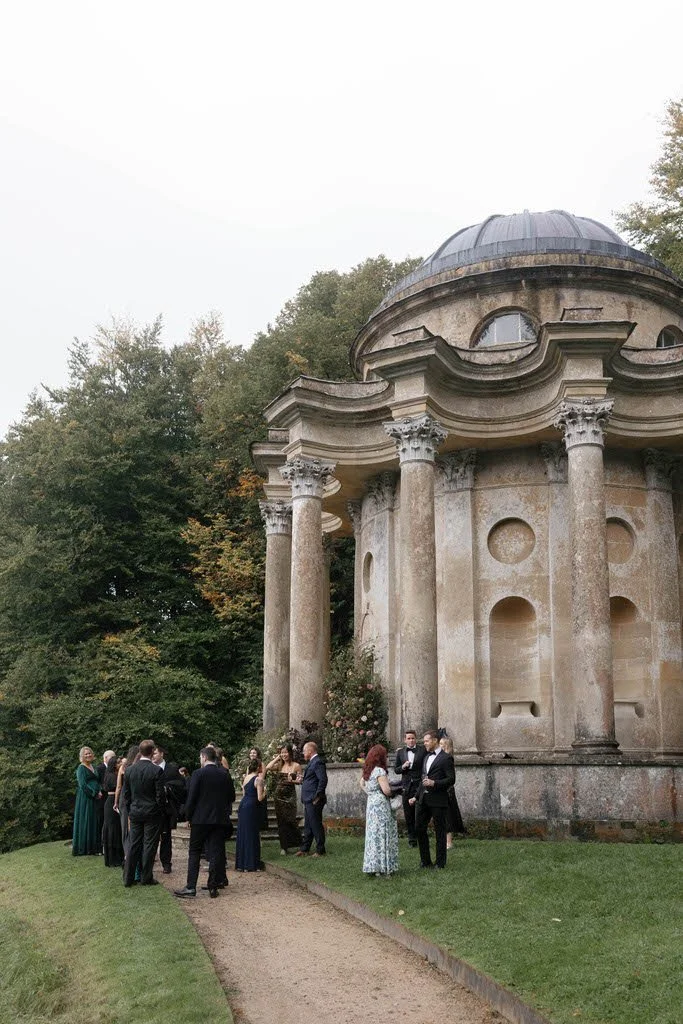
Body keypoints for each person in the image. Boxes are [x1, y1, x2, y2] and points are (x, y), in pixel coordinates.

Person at [174, 746, 235, 898]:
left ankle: (190, 886)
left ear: (204, 757)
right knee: (215, 852)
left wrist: (188, 816)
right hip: (219, 818)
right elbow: (232, 797)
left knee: (194, 851)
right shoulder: (224, 774)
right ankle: (213, 885)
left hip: (200, 819)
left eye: (200, 757)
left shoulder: (198, 773)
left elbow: (192, 797)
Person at [122, 739, 165, 887]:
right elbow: (160, 796)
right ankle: (146, 877)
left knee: (133, 844)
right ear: (153, 751)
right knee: (149, 845)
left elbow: (126, 795)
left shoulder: (129, 770)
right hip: (152, 812)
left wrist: (129, 810)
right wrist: (159, 810)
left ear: (140, 751)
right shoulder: (156, 770)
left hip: (135, 811)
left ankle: (128, 878)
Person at [409, 730, 455, 869]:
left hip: (438, 800)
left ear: (435, 740)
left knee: (440, 831)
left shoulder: (446, 758)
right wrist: (415, 796)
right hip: (423, 799)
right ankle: (425, 861)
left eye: (427, 741)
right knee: (419, 828)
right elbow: (423, 779)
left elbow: (451, 779)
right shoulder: (425, 757)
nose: (425, 744)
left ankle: (440, 863)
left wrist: (435, 783)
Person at [360, 744, 398, 876]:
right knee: (383, 832)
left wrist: (370, 793)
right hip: (380, 804)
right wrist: (395, 793)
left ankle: (373, 866)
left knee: (373, 834)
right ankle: (384, 866)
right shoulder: (379, 771)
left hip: (371, 804)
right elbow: (386, 790)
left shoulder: (368, 770)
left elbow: (361, 784)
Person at [152, 744, 187, 874]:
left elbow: (181, 787)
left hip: (166, 809)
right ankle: (149, 863)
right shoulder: (149, 768)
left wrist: (167, 788)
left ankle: (166, 863)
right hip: (152, 809)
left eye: (155, 753)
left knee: (166, 837)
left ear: (161, 753)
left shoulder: (172, 769)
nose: (153, 756)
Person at [265, 744, 302, 854]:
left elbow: (300, 781)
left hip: (290, 796)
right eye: (282, 752)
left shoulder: (296, 766)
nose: (284, 754)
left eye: (285, 752)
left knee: (291, 820)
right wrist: (277, 757)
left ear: (290, 753)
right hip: (279, 797)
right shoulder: (279, 765)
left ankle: (299, 843)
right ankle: (284, 847)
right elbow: (267, 767)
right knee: (281, 822)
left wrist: (293, 780)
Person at [295, 741, 327, 857]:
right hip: (308, 799)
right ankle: (305, 848)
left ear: (310, 751)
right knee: (308, 825)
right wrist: (303, 778)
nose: (303, 753)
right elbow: (313, 779)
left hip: (314, 799)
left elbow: (323, 780)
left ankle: (320, 850)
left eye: (304, 751)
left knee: (316, 824)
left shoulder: (318, 762)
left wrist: (317, 796)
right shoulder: (312, 762)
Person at [234, 757, 267, 871]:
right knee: (252, 833)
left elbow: (244, 793)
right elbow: (259, 798)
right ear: (258, 767)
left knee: (243, 833)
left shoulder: (246, 777)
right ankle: (251, 863)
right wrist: (266, 791)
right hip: (252, 806)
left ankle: (241, 864)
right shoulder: (258, 780)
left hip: (243, 805)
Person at [393, 729, 423, 847]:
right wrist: (403, 767)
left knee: (419, 814)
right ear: (405, 740)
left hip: (419, 786)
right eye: (409, 738)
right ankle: (411, 839)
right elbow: (396, 770)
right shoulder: (401, 753)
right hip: (406, 787)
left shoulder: (422, 751)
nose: (411, 740)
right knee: (408, 815)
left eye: (413, 738)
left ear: (416, 739)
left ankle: (420, 837)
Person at [72, 746, 103, 855]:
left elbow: (97, 781)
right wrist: (94, 793)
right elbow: (82, 785)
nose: (88, 755)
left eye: (89, 753)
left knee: (95, 820)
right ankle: (87, 848)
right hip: (86, 798)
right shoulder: (81, 768)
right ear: (82, 756)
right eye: (86, 754)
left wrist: (99, 791)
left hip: (96, 797)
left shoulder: (93, 766)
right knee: (87, 820)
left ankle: (95, 847)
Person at [115, 744, 139, 870]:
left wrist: (115, 802)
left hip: (124, 800)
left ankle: (127, 858)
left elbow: (118, 787)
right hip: (135, 800)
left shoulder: (124, 768)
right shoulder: (137, 768)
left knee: (125, 830)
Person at [439, 735, 466, 847]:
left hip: (447, 790)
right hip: (441, 789)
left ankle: (449, 842)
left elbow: (450, 778)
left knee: (448, 816)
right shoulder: (441, 757)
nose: (439, 746)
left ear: (446, 746)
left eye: (441, 744)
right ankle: (444, 841)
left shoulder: (447, 758)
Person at [101, 754, 124, 867]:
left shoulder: (112, 774)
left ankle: (116, 857)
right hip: (111, 802)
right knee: (112, 830)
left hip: (111, 802)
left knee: (115, 829)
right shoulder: (112, 776)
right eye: (119, 763)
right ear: (115, 765)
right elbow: (118, 788)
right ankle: (114, 859)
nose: (121, 764)